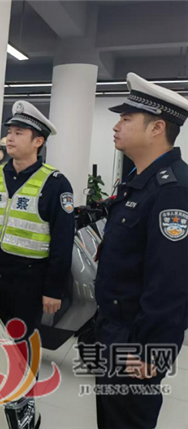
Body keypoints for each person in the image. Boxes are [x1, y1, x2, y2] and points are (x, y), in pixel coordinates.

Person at [94, 73, 188, 429]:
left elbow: (171, 281)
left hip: (137, 339)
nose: (116, 125)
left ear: (157, 128)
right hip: (114, 328)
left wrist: (151, 348)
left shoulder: (173, 190)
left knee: (127, 419)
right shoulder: (139, 182)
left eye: (126, 118)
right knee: (111, 417)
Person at [0, 100, 75, 341]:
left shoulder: (55, 184)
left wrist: (53, 289)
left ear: (38, 141)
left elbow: (62, 241)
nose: (10, 138)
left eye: (18, 133)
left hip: (29, 280)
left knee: (21, 345)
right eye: (9, 132)